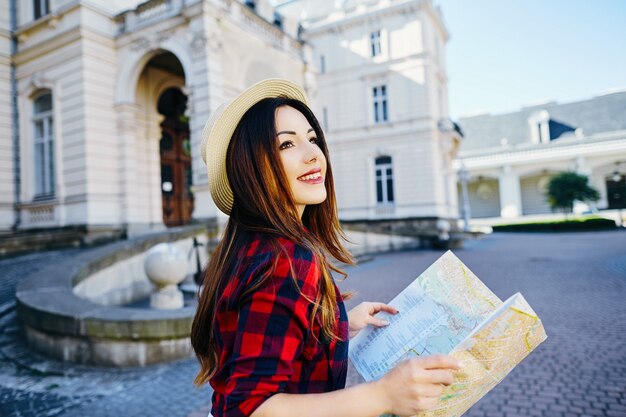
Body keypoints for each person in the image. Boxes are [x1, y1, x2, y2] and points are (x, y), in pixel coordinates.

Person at [191, 79, 461, 417]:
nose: (313, 155)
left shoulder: (248, 248)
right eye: (286, 145)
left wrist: (336, 325)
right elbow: (249, 407)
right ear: (250, 166)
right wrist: (384, 396)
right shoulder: (286, 259)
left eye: (313, 139)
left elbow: (269, 337)